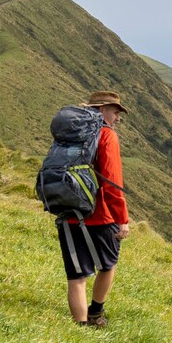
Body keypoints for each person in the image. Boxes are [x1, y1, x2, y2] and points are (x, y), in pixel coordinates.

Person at [59, 90, 129, 326]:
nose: (118, 118)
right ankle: (96, 313)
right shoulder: (107, 135)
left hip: (68, 210)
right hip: (101, 216)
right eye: (115, 112)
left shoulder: (69, 133)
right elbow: (112, 182)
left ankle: (80, 327)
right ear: (101, 110)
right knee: (108, 266)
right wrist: (122, 219)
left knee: (76, 276)